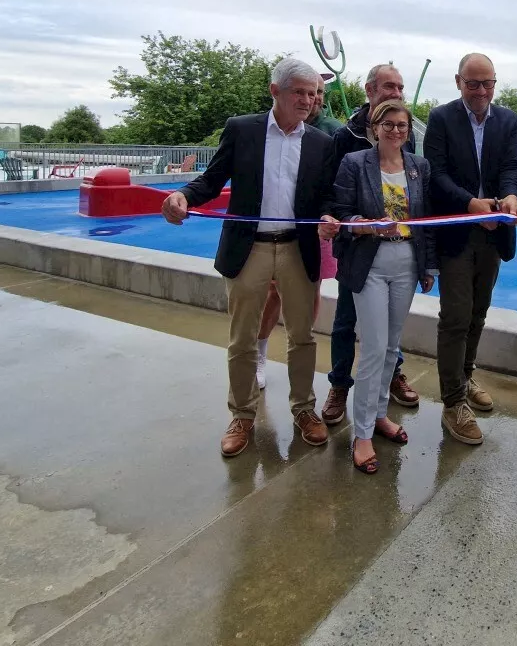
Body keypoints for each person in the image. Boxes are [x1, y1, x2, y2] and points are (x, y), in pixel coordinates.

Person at [161, 57, 332, 457]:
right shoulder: (242, 129)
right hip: (248, 247)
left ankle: (304, 410)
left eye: (312, 94)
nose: (308, 101)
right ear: (276, 91)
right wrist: (183, 195)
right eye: (299, 93)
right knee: (241, 338)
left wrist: (330, 214)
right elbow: (212, 179)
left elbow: (326, 195)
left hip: (298, 247)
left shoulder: (322, 142)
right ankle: (242, 415)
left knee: (303, 337)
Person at [321, 100, 437, 474]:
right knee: (372, 348)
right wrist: (369, 224)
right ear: (375, 127)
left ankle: (381, 413)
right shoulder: (355, 164)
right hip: (368, 264)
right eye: (389, 125)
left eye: (402, 125)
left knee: (391, 347)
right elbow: (341, 211)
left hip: (406, 264)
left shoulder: (419, 168)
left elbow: (426, 220)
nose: (397, 131)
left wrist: (429, 264)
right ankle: (363, 433)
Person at [423, 52, 517, 445]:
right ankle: (452, 402)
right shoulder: (441, 118)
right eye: (473, 83)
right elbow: (436, 173)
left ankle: (465, 377)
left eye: (488, 83)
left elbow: (509, 168)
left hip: (494, 231)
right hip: (458, 231)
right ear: (458, 81)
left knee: (478, 313)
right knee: (455, 317)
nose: (481, 91)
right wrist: (470, 204)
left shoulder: (509, 121)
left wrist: (510, 196)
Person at [320, 64, 420, 426]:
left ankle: (391, 379)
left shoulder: (409, 144)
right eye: (388, 86)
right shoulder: (346, 138)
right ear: (369, 89)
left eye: (400, 86)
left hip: (399, 255)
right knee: (346, 320)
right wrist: (343, 223)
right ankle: (339, 385)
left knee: (388, 335)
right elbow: (333, 195)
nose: (395, 92)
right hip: (359, 252)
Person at [254, 74, 344, 391]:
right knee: (273, 292)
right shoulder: (270, 128)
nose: (313, 98)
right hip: (278, 228)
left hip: (314, 227)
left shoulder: (332, 131)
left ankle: (300, 355)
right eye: (307, 92)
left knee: (311, 290)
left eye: (318, 92)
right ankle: (260, 351)